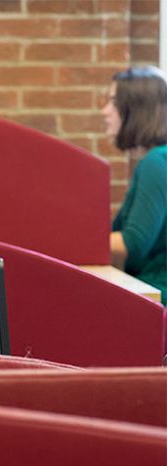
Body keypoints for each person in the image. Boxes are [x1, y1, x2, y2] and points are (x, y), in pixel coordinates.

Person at [101, 66, 166, 304]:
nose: (105, 111)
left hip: (157, 301)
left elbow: (134, 242)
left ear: (137, 109)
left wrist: (62, 244)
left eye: (113, 102)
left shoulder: (156, 162)